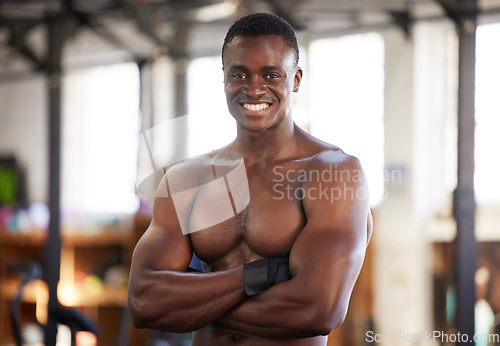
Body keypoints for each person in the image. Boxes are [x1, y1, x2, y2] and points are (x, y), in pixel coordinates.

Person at [128, 12, 373, 345]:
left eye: (271, 74)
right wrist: (260, 276)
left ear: (296, 79)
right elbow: (144, 303)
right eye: (239, 74)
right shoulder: (187, 179)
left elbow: (318, 309)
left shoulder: (332, 172)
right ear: (225, 78)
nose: (254, 89)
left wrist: (194, 303)